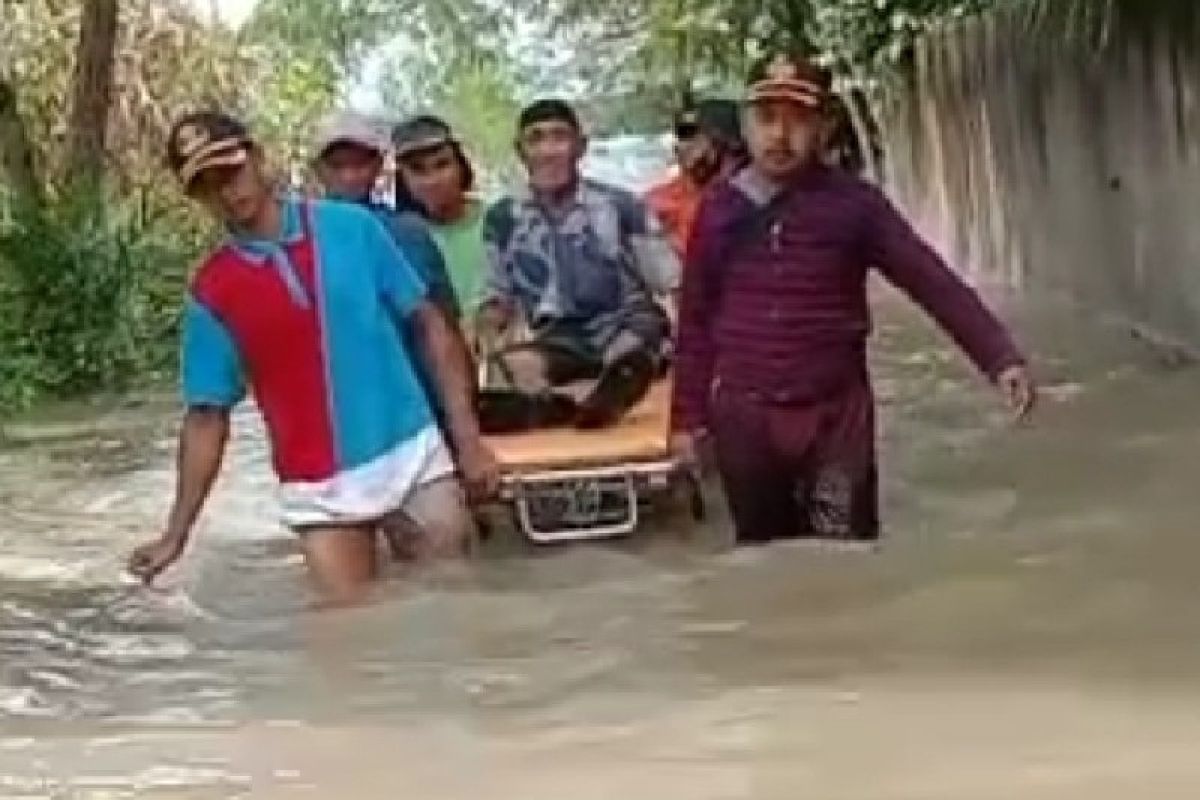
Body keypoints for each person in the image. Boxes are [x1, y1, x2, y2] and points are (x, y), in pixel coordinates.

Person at [128, 112, 499, 606]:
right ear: (196, 198)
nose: (229, 191)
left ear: (257, 158)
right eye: (209, 185)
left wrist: (468, 442)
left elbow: (431, 324)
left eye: (233, 171)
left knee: (460, 607)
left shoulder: (353, 229)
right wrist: (175, 535)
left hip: (413, 453)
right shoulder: (212, 292)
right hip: (319, 487)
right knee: (348, 636)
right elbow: (206, 417)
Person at [671, 54, 1037, 546]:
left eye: (797, 120)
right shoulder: (719, 212)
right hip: (746, 417)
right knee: (763, 561)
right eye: (766, 118)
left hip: (835, 417)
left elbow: (929, 280)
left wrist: (998, 357)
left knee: (846, 555)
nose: (780, 136)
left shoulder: (856, 207)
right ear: (745, 125)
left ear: (823, 126)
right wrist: (687, 422)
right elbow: (694, 324)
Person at [480, 99, 681, 429]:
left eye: (559, 137)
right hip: (559, 340)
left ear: (580, 147)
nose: (548, 151)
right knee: (513, 367)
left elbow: (671, 283)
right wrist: (488, 332)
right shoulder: (502, 219)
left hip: (625, 327)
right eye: (536, 139)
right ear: (520, 151)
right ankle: (569, 407)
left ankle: (591, 399)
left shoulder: (621, 205)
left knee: (630, 355)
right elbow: (496, 296)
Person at [312, 110, 459, 319]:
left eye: (360, 164)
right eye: (337, 166)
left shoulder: (407, 232)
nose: (349, 176)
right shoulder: (305, 235)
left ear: (378, 165)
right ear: (318, 169)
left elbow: (441, 316)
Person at [393, 116, 488, 324]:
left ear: (461, 166)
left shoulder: (499, 223)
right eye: (418, 170)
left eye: (442, 165)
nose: (432, 180)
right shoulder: (398, 240)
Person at [646, 98, 747, 256]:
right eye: (682, 134)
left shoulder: (752, 202)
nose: (680, 144)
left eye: (692, 133)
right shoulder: (656, 203)